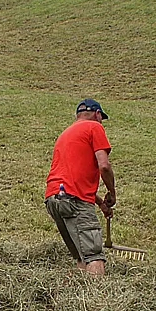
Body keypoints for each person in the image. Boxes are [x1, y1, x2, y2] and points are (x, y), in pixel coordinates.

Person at [44, 98, 116, 276]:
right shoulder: (94, 127)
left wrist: (99, 202)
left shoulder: (66, 134)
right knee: (94, 256)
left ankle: (80, 298)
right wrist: (112, 193)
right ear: (97, 114)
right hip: (74, 200)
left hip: (53, 199)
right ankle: (97, 301)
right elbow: (104, 166)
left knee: (82, 256)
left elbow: (69, 178)